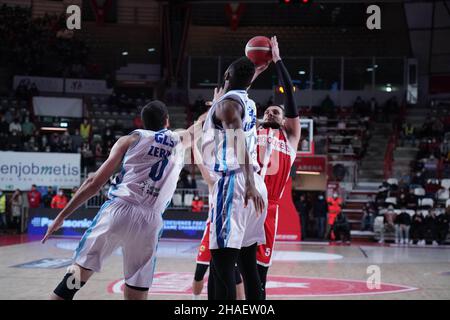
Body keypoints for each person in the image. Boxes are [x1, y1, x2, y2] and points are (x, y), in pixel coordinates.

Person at [42, 100, 191, 300]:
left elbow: (94, 183)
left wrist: (61, 216)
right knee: (136, 293)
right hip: (149, 222)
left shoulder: (130, 139)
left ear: (144, 122)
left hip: (118, 211)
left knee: (73, 280)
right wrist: (218, 100)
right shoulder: (179, 140)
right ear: (167, 120)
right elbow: (202, 123)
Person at [201, 56, 268, 300]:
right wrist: (257, 69)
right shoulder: (246, 101)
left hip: (236, 182)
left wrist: (249, 184)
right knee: (248, 264)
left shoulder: (227, 105)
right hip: (252, 181)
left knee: (222, 264)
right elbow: (241, 83)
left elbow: (239, 144)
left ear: (227, 76)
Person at [255, 36, 301, 300]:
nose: (270, 113)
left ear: (285, 120)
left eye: (276, 112)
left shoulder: (290, 137)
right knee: (232, 263)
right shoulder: (252, 132)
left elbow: (290, 96)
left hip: (269, 206)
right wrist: (255, 72)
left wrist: (277, 61)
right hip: (245, 200)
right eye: (268, 111)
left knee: (261, 270)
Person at [190, 112, 245, 300]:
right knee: (200, 271)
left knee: (234, 274)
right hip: (212, 229)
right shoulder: (215, 181)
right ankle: (195, 300)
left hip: (231, 229)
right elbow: (200, 165)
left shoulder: (239, 178)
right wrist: (194, 148)